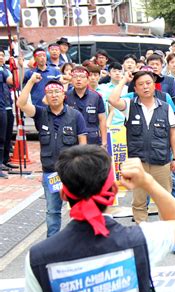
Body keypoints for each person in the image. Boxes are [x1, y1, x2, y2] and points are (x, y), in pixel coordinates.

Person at [24, 145, 175, 292]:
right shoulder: (141, 240)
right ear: (113, 191)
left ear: (64, 195)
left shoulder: (37, 258)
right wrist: (147, 181)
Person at [17, 75, 87, 237]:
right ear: (46, 97)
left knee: (78, 208)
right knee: (52, 211)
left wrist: (83, 169)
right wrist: (31, 82)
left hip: (72, 172)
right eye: (50, 92)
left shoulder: (75, 115)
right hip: (50, 172)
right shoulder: (41, 114)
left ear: (64, 95)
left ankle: (80, 240)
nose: (54, 95)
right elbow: (21, 103)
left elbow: (83, 144)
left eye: (57, 91)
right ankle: (53, 242)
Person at [108, 71, 175, 222]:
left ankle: (165, 237)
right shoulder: (129, 105)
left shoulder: (166, 107)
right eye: (140, 84)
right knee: (139, 202)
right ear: (135, 89)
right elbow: (112, 100)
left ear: (154, 86)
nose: (145, 87)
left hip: (161, 161)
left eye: (148, 83)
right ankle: (143, 235)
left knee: (164, 200)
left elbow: (173, 135)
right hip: (138, 163)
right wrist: (123, 81)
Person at [66, 66, 107, 146]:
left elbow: (102, 120)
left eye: (82, 77)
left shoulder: (96, 97)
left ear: (88, 80)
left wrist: (104, 142)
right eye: (75, 77)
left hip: (92, 140)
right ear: (71, 80)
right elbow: (45, 101)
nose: (78, 79)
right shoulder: (65, 96)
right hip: (71, 139)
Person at [97, 62, 128, 126]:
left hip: (123, 124)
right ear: (109, 73)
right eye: (114, 71)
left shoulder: (127, 89)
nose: (117, 73)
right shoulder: (101, 88)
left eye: (119, 71)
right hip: (105, 123)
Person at [0, 52, 13, 179]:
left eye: (2, 55)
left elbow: (14, 82)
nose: (0, 58)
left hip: (6, 105)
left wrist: (18, 67)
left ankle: (4, 161)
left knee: (5, 136)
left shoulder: (5, 70)